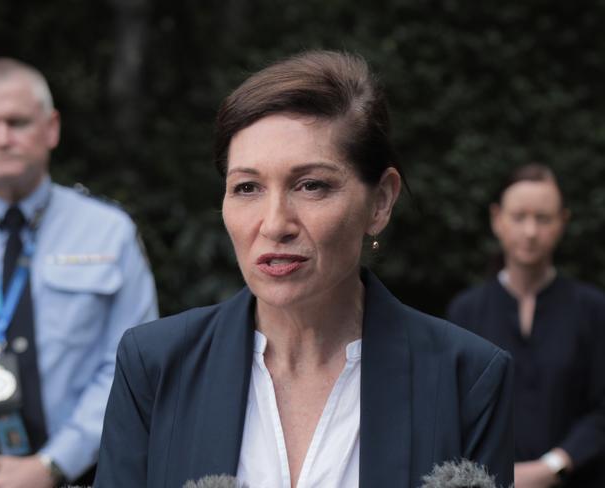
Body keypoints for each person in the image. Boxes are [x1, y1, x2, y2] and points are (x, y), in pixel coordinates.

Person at [95, 50, 514, 488]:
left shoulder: (467, 377)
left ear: (381, 201)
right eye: (247, 188)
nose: (275, 224)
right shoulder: (156, 365)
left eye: (311, 185)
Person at [0, 58, 158, 488]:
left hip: (84, 476)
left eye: (18, 122)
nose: (3, 138)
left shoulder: (109, 233)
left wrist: (51, 465)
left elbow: (130, 366)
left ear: (51, 128)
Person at [448, 164, 605, 487]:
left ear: (563, 221)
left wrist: (553, 466)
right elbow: (452, 413)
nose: (531, 231)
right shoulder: (465, 312)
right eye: (519, 217)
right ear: (497, 219)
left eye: (543, 218)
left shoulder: (592, 309)